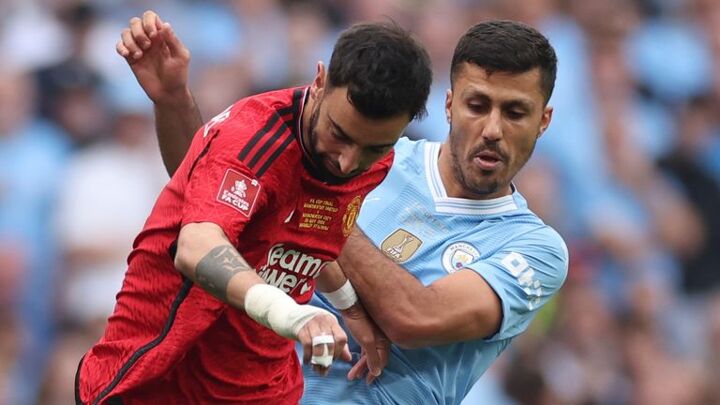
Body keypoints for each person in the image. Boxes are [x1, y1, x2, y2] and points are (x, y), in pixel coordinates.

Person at [120, 12, 568, 405]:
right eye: (477, 105)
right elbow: (216, 201)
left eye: (515, 112)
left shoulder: (535, 248)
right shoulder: (367, 152)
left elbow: (416, 318)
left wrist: (314, 204)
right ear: (449, 105)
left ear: (543, 120)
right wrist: (174, 102)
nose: (492, 129)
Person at [75, 11, 432, 405]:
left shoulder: (374, 161)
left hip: (263, 388)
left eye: (374, 147)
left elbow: (308, 235)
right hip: (157, 381)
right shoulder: (252, 139)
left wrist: (352, 309)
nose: (348, 162)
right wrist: (294, 315)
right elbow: (197, 247)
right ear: (319, 82)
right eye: (339, 134)